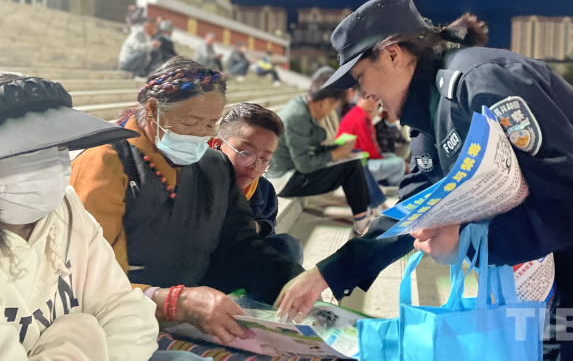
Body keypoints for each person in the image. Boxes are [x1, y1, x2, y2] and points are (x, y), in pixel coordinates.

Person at [275, 0, 573, 360]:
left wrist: (470, 242)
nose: (361, 94)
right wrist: (325, 274)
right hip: (570, 255)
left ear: (392, 53)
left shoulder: (480, 83)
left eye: (359, 77)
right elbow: (414, 210)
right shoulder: (427, 115)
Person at [71, 56, 304, 345]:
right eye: (191, 121)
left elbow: (239, 243)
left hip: (195, 310)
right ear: (153, 110)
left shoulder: (214, 165)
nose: (201, 134)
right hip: (125, 321)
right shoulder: (106, 163)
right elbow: (88, 281)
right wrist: (174, 302)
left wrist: (295, 282)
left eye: (210, 124)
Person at [0, 72, 163, 360]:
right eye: (33, 151)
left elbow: (123, 307)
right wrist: (81, 332)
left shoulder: (66, 208)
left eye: (61, 147)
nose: (58, 165)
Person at [266, 70, 373, 235]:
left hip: (293, 169)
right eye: (332, 108)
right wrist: (335, 154)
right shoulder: (297, 117)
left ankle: (364, 210)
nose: (330, 113)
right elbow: (304, 164)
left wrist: (337, 150)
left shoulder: (301, 105)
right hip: (284, 179)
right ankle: (361, 222)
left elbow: (311, 145)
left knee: (353, 160)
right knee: (351, 167)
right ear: (324, 103)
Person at [210, 102, 304, 264]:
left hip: (233, 264)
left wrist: (256, 228)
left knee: (288, 247)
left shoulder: (264, 191)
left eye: (264, 159)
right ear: (217, 145)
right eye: (246, 153)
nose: (254, 166)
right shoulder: (192, 179)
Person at [338, 92, 407, 186]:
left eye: (375, 99)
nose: (372, 102)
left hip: (357, 161)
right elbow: (368, 148)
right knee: (399, 163)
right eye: (367, 98)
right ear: (359, 100)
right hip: (356, 166)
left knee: (392, 157)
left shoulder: (359, 114)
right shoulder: (360, 118)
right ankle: (394, 188)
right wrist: (381, 158)